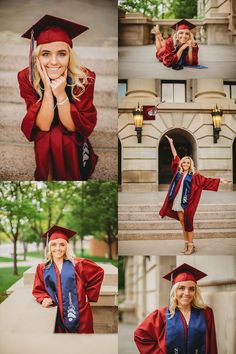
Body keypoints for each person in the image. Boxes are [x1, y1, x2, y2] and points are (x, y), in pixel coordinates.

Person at [18, 15, 98, 181]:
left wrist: (61, 94)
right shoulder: (26, 77)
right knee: (46, 137)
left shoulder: (84, 78)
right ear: (36, 57)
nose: (54, 62)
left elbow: (72, 127)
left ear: (70, 56)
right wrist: (48, 90)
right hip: (45, 124)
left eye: (61, 54)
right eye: (45, 54)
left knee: (64, 139)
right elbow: (44, 125)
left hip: (70, 128)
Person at [159, 135, 228, 255]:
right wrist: (171, 143)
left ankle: (191, 246)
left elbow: (207, 181)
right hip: (177, 201)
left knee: (188, 223)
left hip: (187, 203)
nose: (185, 164)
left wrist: (220, 180)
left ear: (190, 164)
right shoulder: (178, 172)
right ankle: (186, 243)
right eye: (184, 162)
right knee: (182, 223)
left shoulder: (195, 176)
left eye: (187, 162)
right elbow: (175, 156)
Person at [32, 225, 104, 333]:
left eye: (62, 244)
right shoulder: (43, 268)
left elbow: (99, 273)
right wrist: (43, 299)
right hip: (58, 314)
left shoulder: (78, 264)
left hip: (80, 312)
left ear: (67, 247)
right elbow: (38, 289)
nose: (57, 248)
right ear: (49, 247)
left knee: (83, 344)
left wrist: (89, 295)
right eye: (53, 245)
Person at [134, 263, 218, 354]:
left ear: (195, 292)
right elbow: (140, 336)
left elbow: (211, 345)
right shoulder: (161, 315)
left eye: (191, 289)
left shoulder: (206, 313)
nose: (187, 293)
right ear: (174, 291)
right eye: (181, 288)